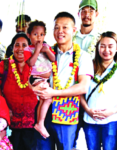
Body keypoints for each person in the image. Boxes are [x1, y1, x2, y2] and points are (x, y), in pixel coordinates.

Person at [33, 12, 94, 150]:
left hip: (67, 111)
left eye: (65, 27)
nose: (60, 31)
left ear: (74, 30)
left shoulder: (83, 57)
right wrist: (34, 88)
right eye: (56, 27)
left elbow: (83, 86)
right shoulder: (46, 53)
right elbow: (33, 75)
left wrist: (53, 93)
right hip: (44, 111)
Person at [0, 33, 38, 150]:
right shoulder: (5, 65)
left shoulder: (36, 65)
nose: (21, 49)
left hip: (32, 121)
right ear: (12, 48)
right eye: (17, 45)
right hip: (11, 120)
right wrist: (4, 107)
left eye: (24, 45)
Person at [80, 31, 117, 150]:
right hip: (90, 120)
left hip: (111, 121)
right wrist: (88, 110)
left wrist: (111, 112)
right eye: (102, 46)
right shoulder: (88, 65)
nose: (106, 50)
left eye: (110, 46)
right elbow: (79, 92)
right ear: (97, 48)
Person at [72, 0, 99, 148]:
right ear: (79, 14)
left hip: (92, 98)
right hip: (70, 96)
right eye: (84, 11)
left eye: (91, 11)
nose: (87, 15)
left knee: (94, 143)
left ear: (97, 14)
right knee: (68, 141)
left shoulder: (102, 39)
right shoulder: (70, 37)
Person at [24, 20, 55, 138]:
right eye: (35, 34)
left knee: (43, 99)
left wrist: (46, 50)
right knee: (48, 98)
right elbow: (30, 63)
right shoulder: (28, 49)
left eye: (41, 34)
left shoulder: (46, 47)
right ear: (29, 36)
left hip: (46, 80)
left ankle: (39, 123)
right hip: (36, 78)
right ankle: (40, 123)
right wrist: (37, 50)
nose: (39, 37)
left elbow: (53, 59)